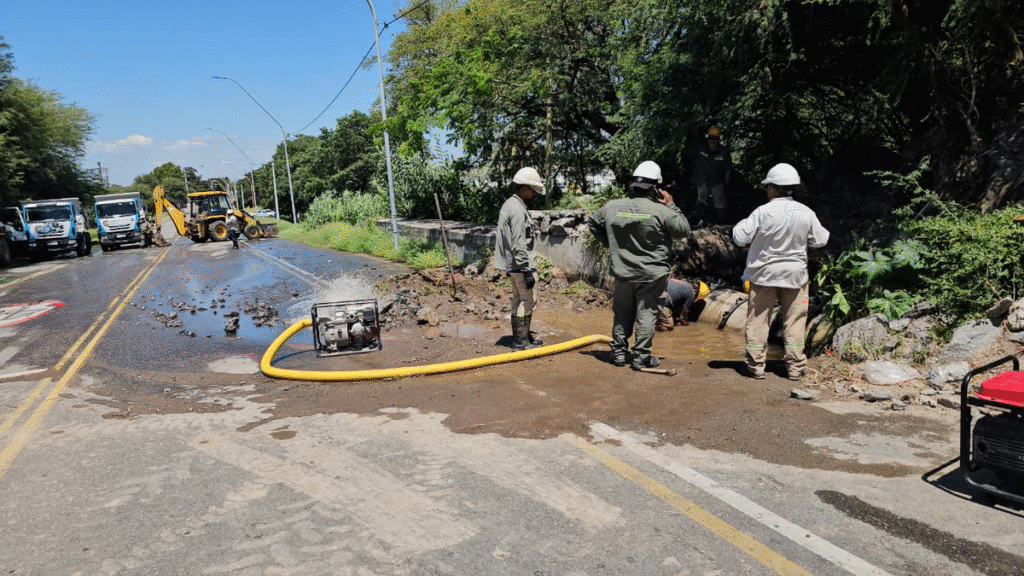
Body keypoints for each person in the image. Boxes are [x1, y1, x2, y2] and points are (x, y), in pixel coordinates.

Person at [588, 161, 691, 370]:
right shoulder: (661, 211)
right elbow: (683, 229)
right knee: (646, 314)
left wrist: (612, 244)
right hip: (651, 275)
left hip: (623, 271)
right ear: (654, 188)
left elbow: (593, 223)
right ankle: (640, 358)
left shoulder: (612, 207)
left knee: (622, 313)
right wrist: (670, 204)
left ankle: (618, 354)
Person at [732, 163, 829, 381]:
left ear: (774, 188)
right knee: (795, 321)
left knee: (758, 320)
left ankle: (755, 366)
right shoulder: (806, 212)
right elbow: (820, 239)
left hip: (764, 275)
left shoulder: (762, 212)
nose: (767, 190)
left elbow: (740, 238)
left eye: (768, 186)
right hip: (796, 276)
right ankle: (795, 367)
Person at [495, 167, 546, 350]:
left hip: (513, 265)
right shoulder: (517, 209)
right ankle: (521, 342)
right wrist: (527, 270)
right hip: (521, 265)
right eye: (533, 191)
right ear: (524, 188)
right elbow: (518, 242)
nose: (534, 195)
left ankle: (522, 339)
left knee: (518, 300)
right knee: (527, 300)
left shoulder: (510, 204)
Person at [691, 125, 732, 224]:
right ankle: (700, 221)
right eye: (711, 138)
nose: (713, 141)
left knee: (720, 202)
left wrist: (727, 183)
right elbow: (689, 150)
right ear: (708, 138)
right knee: (701, 200)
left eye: (715, 139)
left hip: (717, 181)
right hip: (702, 179)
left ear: (718, 139)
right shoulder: (701, 147)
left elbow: (728, 168)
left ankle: (723, 223)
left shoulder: (723, 151)